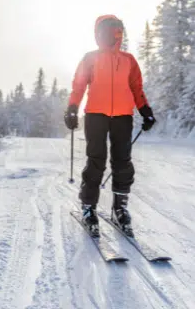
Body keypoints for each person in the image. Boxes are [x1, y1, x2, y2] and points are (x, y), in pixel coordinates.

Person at [64, 14, 156, 237]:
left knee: (123, 162)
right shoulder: (90, 58)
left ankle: (119, 208)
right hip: (95, 115)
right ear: (100, 33)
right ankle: (88, 208)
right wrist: (72, 108)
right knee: (96, 161)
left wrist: (145, 111)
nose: (117, 34)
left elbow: (137, 89)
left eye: (119, 30)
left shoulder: (128, 60)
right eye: (113, 29)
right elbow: (78, 85)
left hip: (123, 116)